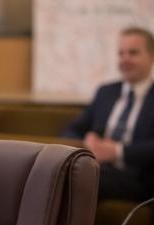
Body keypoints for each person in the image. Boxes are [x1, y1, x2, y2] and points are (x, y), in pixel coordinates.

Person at [64, 27, 154, 202]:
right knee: (61, 171)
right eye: (121, 53)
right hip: (98, 167)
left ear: (151, 57)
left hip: (138, 176)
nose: (125, 59)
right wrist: (87, 144)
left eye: (133, 53)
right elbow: (71, 129)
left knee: (81, 178)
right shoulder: (106, 92)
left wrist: (116, 152)